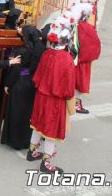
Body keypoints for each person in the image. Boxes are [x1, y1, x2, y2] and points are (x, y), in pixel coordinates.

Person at [27, 29, 76, 174]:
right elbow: (68, 87)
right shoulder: (67, 59)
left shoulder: (46, 54)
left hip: (41, 96)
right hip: (55, 99)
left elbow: (37, 77)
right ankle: (46, 162)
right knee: (51, 131)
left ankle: (32, 151)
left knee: (38, 124)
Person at [1, 25, 45, 150]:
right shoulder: (39, 49)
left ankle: (15, 141)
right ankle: (26, 140)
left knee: (16, 111)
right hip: (31, 83)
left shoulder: (21, 51)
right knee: (27, 113)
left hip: (19, 83)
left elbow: (15, 70)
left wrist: (7, 83)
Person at [73, 4, 101, 114]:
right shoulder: (87, 28)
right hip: (81, 61)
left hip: (71, 59)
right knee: (79, 82)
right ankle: (75, 103)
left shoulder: (72, 25)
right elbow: (94, 45)